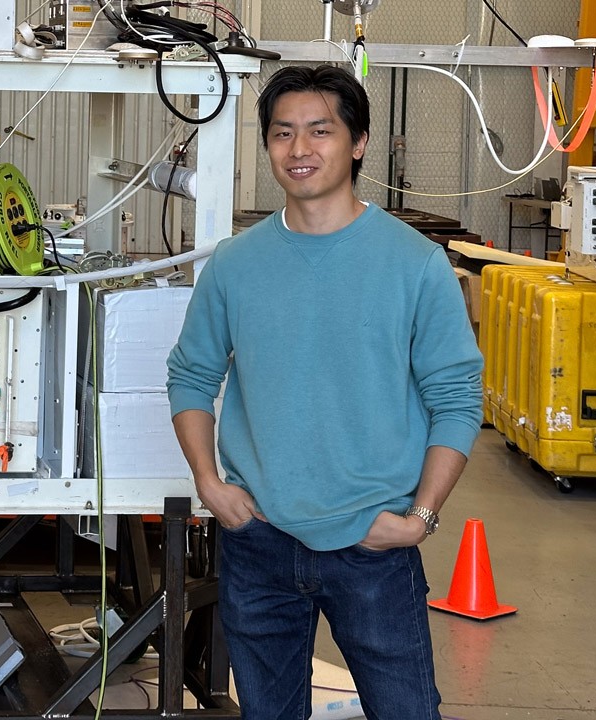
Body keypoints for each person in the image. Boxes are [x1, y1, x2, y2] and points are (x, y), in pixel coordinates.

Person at [166, 64, 483, 719]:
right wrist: (210, 483)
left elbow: (456, 399)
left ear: (359, 142)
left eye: (320, 130)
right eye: (282, 133)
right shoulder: (235, 264)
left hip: (373, 545)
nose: (299, 149)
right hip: (259, 538)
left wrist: (420, 518)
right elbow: (191, 376)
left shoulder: (415, 263)